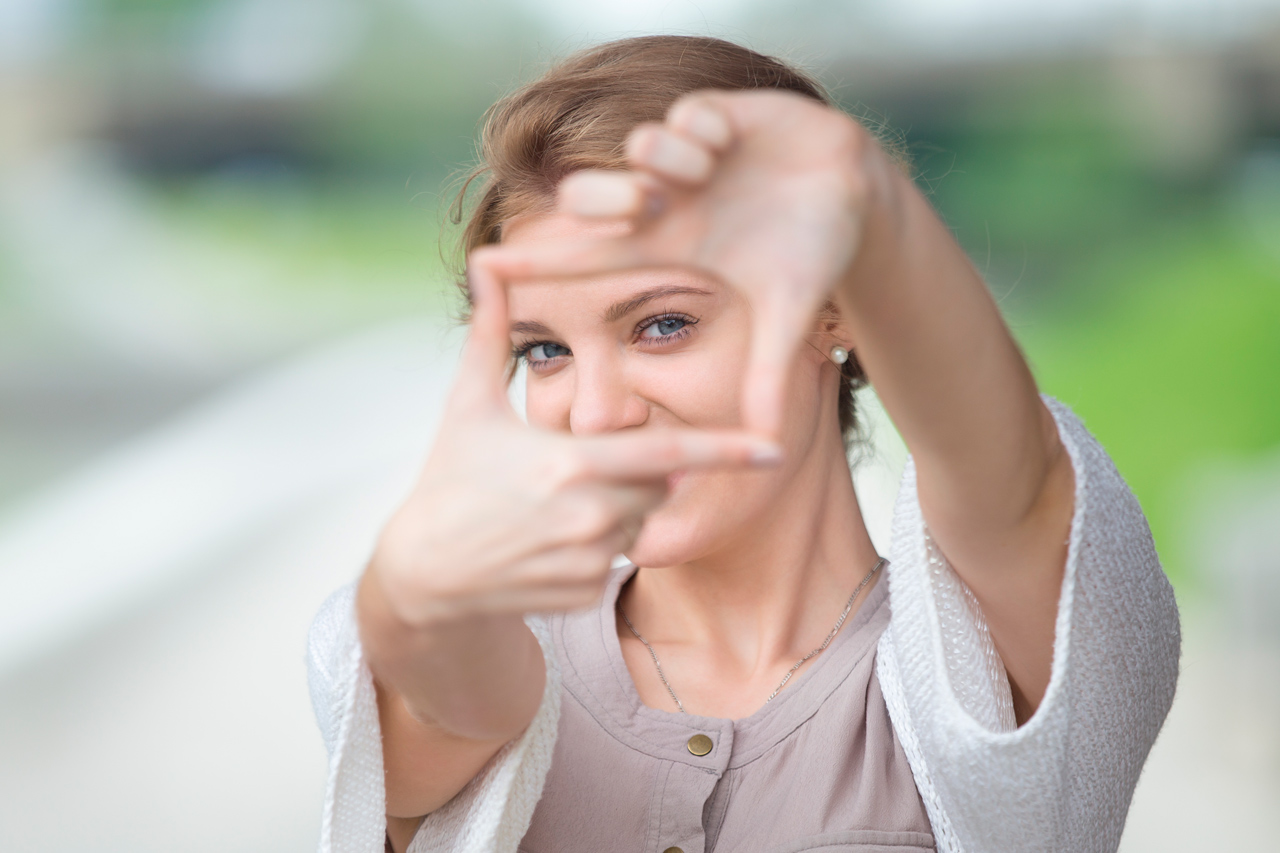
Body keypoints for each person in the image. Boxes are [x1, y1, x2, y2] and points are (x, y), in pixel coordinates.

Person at [307, 36, 1180, 853]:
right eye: (546, 350)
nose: (596, 414)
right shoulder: (510, 646)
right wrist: (406, 597)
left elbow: (1012, 483)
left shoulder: (984, 665)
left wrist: (873, 213)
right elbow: (446, 689)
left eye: (663, 324)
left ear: (833, 305)